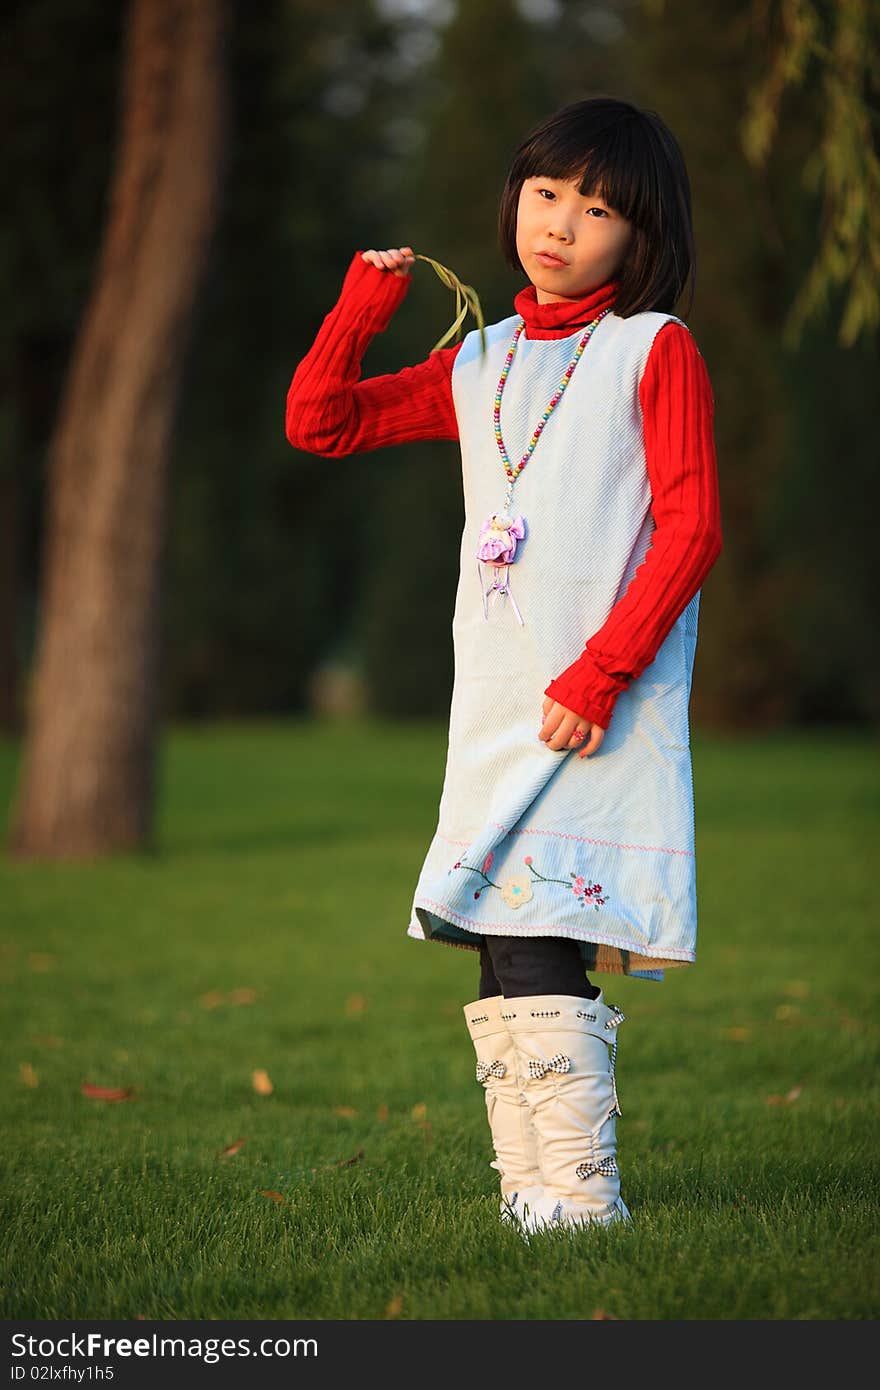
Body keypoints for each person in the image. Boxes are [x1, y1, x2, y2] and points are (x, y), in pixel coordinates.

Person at [285, 97, 723, 1238]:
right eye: (546, 194)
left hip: (594, 705)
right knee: (502, 938)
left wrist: (598, 672)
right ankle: (532, 1199)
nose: (563, 225)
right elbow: (320, 423)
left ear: (643, 235)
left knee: (534, 933)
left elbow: (689, 529)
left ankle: (577, 1202)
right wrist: (362, 307)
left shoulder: (652, 349)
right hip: (495, 712)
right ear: (514, 198)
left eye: (598, 209)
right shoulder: (478, 359)